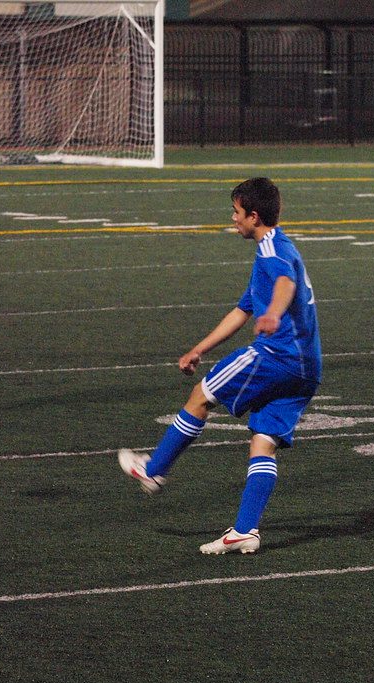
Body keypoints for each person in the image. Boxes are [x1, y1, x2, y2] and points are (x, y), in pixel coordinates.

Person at [118, 177, 322, 555]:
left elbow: (284, 284)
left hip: (276, 356)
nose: (233, 219)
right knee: (263, 442)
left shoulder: (272, 250)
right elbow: (244, 309)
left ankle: (154, 469)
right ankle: (245, 530)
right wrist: (199, 348)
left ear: (254, 216)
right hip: (307, 369)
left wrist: (274, 314)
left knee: (200, 396)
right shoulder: (280, 246)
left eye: (237, 212)